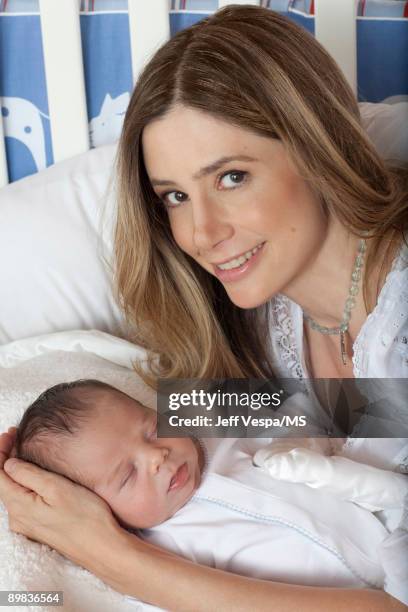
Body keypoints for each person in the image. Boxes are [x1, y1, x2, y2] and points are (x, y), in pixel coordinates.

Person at [1, 6, 407, 611]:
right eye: (175, 196)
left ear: (318, 143)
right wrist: (61, 463)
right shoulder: (272, 314)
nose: (202, 231)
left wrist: (107, 551)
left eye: (233, 177)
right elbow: (332, 411)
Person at [13, 379, 408, 598]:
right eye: (126, 476)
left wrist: (301, 439)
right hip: (349, 593)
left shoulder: (207, 422)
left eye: (152, 428)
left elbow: (298, 404)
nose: (156, 456)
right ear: (96, 508)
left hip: (383, 512)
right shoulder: (162, 549)